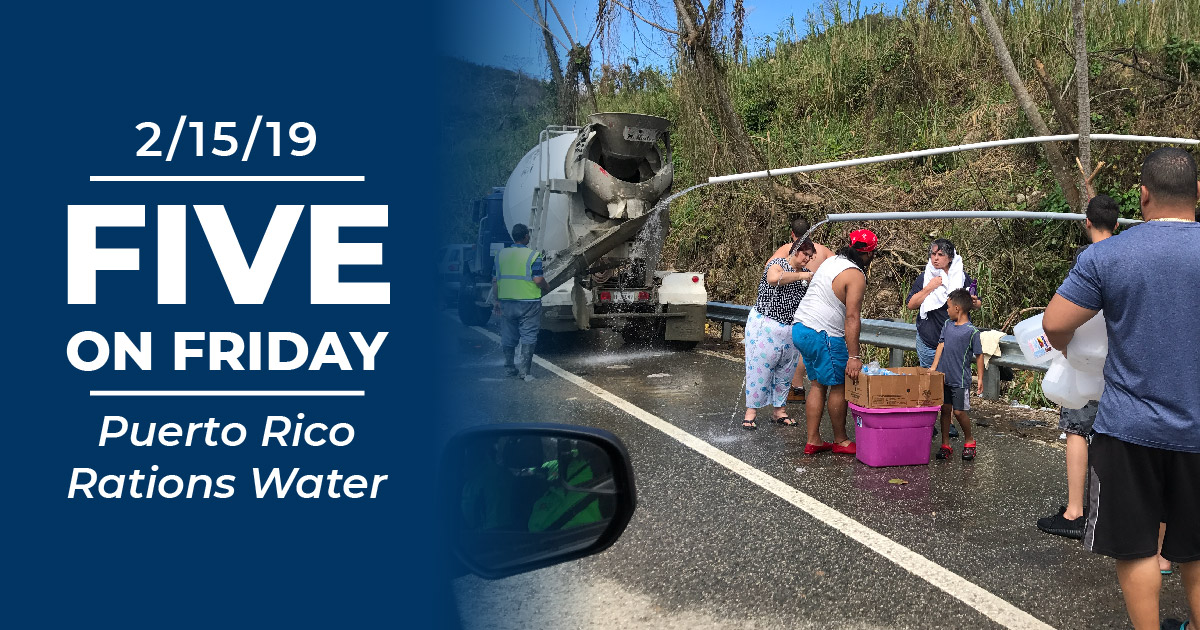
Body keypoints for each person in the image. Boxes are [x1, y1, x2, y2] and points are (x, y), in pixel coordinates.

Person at [1043, 147, 1200, 630]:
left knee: (1135, 548)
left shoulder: (1107, 255)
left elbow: (1054, 323)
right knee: (1197, 548)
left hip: (1130, 428)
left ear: (1143, 195)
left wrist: (1073, 352)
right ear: (1197, 194)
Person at [1036, 193, 1118, 540]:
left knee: (1076, 431)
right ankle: (1110, 513)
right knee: (1110, 436)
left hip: (1083, 363)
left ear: (1087, 222)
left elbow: (1061, 318)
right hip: (1117, 364)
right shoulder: (1127, 256)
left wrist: (1062, 346)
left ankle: (1075, 512)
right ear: (1117, 224)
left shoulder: (1087, 260)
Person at [791, 228, 877, 455]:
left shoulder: (831, 262)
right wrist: (854, 357)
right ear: (869, 254)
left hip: (801, 327)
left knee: (818, 384)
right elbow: (852, 317)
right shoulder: (855, 274)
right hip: (824, 333)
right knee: (839, 384)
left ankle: (814, 440)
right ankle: (840, 440)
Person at [906, 238, 982, 438]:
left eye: (940, 255)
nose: (935, 259)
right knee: (930, 385)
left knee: (949, 385)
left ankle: (947, 423)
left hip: (954, 344)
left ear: (950, 257)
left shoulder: (961, 276)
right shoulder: (926, 276)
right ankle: (929, 423)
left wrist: (974, 302)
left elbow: (975, 303)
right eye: (933, 254)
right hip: (929, 340)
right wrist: (929, 287)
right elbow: (911, 304)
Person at [742, 239, 817, 430]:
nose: (807, 259)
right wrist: (801, 275)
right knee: (759, 369)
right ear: (795, 251)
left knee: (786, 372)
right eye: (805, 254)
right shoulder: (778, 264)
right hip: (766, 324)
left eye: (810, 256)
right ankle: (751, 412)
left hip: (790, 328)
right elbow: (774, 279)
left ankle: (780, 411)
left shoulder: (806, 276)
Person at [771, 216, 836, 405]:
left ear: (792, 234)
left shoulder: (787, 249)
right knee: (804, 345)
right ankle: (798, 386)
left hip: (794, 300)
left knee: (793, 343)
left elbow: (770, 270)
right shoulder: (822, 251)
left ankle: (794, 386)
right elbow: (840, 268)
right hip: (816, 302)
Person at [929, 289, 984, 461]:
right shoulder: (947, 325)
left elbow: (979, 355)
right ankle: (945, 444)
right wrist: (934, 367)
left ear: (957, 308)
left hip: (960, 379)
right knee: (945, 410)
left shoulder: (972, 332)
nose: (947, 310)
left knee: (959, 412)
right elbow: (941, 345)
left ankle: (969, 440)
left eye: (948, 307)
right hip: (944, 377)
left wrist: (980, 378)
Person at [492, 224, 548, 381]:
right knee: (529, 335)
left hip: (507, 301)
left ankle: (509, 368)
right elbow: (538, 279)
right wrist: (546, 286)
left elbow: (495, 280)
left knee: (508, 335)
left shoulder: (500, 255)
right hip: (529, 302)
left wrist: (496, 300)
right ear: (525, 237)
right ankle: (525, 372)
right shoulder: (533, 256)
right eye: (528, 235)